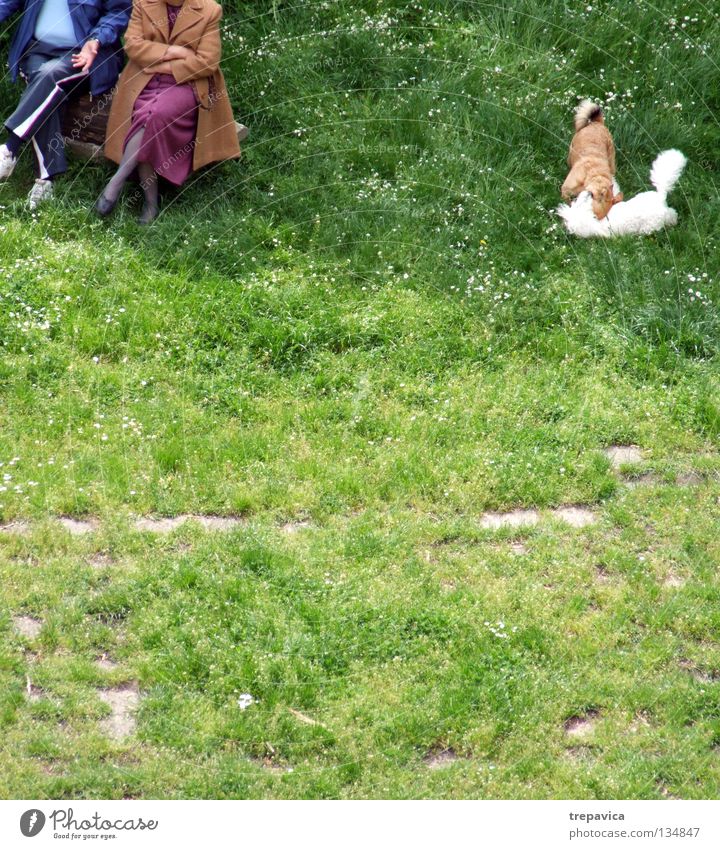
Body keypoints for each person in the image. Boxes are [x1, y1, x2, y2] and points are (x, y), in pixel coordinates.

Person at [97, 0, 240, 224]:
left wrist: (161, 65)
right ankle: (151, 203)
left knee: (156, 114)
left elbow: (207, 62)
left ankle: (118, 180)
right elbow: (133, 45)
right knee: (148, 116)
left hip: (186, 83)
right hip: (144, 80)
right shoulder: (144, 3)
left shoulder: (209, 9)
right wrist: (174, 51)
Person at [0, 0, 131, 208]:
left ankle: (10, 148)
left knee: (48, 76)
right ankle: (45, 180)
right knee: (45, 89)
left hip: (83, 56)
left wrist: (96, 40)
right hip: (37, 50)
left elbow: (119, 11)